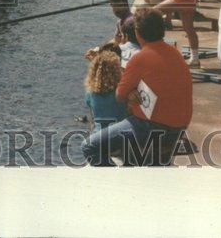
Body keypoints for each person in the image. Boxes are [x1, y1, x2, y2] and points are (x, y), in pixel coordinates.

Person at [81, 9, 192, 166]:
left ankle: (113, 183)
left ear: (138, 33)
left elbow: (119, 95)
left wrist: (130, 90)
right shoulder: (176, 54)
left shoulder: (140, 58)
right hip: (180, 126)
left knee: (89, 146)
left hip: (151, 126)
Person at [84, 50, 128, 130]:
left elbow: (92, 121)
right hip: (119, 135)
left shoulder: (90, 93)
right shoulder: (122, 91)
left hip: (98, 136)